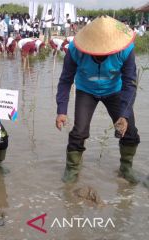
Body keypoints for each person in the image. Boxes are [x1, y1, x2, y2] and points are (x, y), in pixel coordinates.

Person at [56, 16, 140, 184]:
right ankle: (72, 169)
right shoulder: (75, 50)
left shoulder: (125, 50)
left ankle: (125, 168)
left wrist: (124, 114)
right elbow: (65, 80)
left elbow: (130, 82)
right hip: (86, 91)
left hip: (115, 91)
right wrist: (61, 111)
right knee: (79, 132)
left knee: (129, 131)